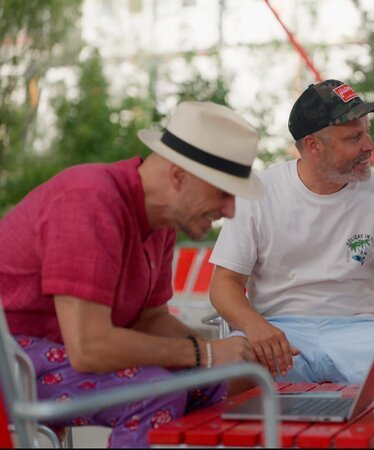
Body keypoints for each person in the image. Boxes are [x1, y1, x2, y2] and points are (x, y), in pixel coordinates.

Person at [0, 101, 262, 447]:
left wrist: (223, 355)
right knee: (155, 393)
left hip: (47, 353)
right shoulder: (88, 200)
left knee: (212, 382)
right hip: (12, 357)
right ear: (178, 177)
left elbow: (149, 319)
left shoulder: (162, 221)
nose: (229, 210)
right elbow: (90, 348)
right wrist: (206, 353)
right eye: (222, 192)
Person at [209, 79, 374, 387]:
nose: (370, 146)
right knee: (233, 370)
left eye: (367, 131)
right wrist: (254, 326)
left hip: (356, 329)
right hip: (278, 330)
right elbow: (223, 285)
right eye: (354, 137)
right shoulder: (258, 193)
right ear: (313, 147)